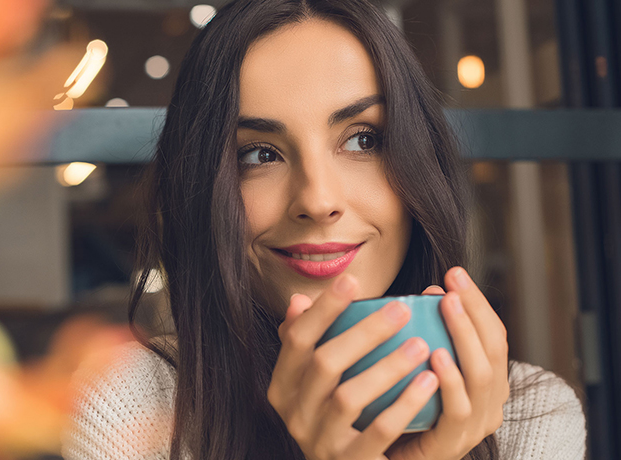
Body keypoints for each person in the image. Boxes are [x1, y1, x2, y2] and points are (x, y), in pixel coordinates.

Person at [61, 0, 587, 459]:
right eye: (259, 154)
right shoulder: (130, 405)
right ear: (201, 189)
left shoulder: (528, 415)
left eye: (362, 140)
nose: (317, 200)